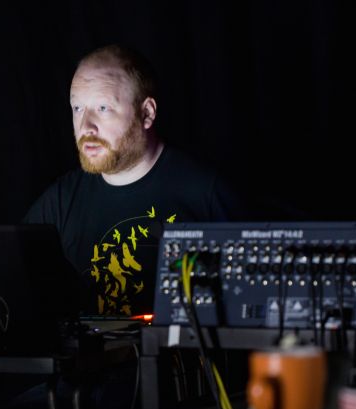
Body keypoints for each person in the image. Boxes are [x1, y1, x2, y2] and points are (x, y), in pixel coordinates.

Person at [24, 44, 243, 317]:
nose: (86, 126)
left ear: (147, 113)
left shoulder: (207, 192)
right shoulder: (59, 202)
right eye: (78, 107)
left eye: (103, 108)